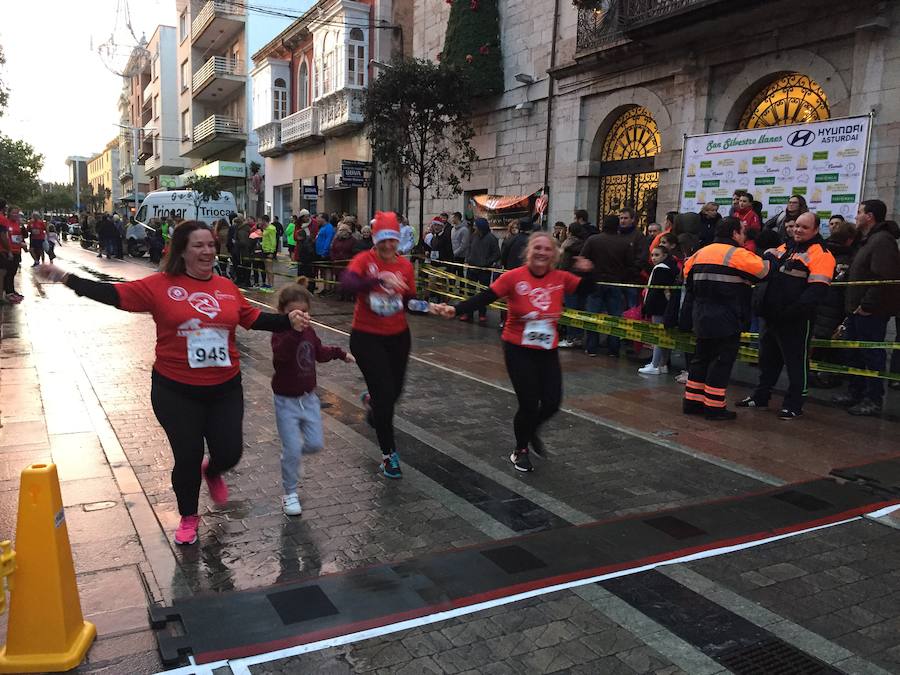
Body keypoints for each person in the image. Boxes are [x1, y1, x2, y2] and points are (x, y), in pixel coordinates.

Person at [35, 221, 310, 545]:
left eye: (210, 244)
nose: (207, 250)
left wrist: (287, 321)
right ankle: (189, 516)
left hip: (224, 388)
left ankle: (213, 470)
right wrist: (67, 278)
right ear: (181, 250)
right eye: (198, 245)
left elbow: (251, 318)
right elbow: (112, 294)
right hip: (175, 390)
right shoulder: (160, 286)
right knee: (188, 456)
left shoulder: (226, 287)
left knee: (230, 452)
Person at [434, 232, 593, 472]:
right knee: (529, 403)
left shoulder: (560, 278)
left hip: (546, 349)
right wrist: (456, 310)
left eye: (547, 249)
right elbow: (485, 297)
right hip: (517, 348)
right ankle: (520, 449)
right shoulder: (513, 277)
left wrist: (588, 270)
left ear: (555, 255)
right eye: (537, 248)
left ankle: (531, 430)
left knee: (551, 403)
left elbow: (587, 289)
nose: (541, 252)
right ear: (529, 252)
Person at [339, 212, 418, 479]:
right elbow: (347, 283)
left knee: (393, 393)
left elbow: (409, 299)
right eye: (383, 240)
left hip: (398, 336)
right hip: (366, 337)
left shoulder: (405, 266)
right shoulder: (365, 259)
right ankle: (388, 455)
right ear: (375, 239)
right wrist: (377, 281)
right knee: (386, 399)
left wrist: (431, 307)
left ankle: (373, 401)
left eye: (392, 240)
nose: (388, 246)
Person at [738, 212, 835, 419]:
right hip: (771, 316)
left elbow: (816, 291)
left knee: (796, 364)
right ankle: (761, 396)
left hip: (795, 320)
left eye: (804, 227)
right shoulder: (785, 247)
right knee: (767, 361)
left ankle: (794, 404)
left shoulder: (822, 254)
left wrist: (791, 311)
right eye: (796, 226)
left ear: (816, 230)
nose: (798, 230)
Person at [271, 278, 355, 515]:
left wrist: (340, 353)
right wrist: (293, 332)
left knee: (315, 443)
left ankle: (293, 455)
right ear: (283, 313)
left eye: (305, 312)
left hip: (308, 398)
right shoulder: (280, 332)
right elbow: (280, 357)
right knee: (291, 449)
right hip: (285, 401)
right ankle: (290, 493)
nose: (301, 317)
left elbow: (318, 352)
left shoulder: (309, 331)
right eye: (294, 312)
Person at [681, 217, 769, 420]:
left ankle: (692, 402)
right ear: (735, 234)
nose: (744, 236)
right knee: (721, 362)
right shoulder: (737, 254)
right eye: (743, 232)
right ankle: (714, 407)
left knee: (700, 359)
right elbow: (763, 272)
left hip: (701, 315)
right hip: (727, 317)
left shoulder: (700, 253)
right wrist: (772, 257)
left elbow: (688, 281)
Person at [832, 200, 900, 416]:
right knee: (855, 354)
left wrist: (867, 305)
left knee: (871, 354)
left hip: (870, 312)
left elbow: (884, 277)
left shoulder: (882, 241)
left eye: (860, 212)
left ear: (870, 216)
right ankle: (856, 391)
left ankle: (872, 398)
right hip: (856, 310)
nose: (856, 216)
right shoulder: (867, 240)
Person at [809, 219, 857, 389]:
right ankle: (825, 375)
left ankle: (812, 373)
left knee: (817, 340)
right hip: (834, 305)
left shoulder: (822, 251)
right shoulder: (846, 259)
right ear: (850, 240)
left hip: (818, 301)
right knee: (830, 342)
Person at [580, 215, 634, 357]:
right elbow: (630, 264)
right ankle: (613, 349)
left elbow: (583, 259)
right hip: (615, 282)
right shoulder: (624, 243)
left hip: (595, 282)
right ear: (618, 226)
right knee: (615, 317)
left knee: (592, 316)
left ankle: (592, 347)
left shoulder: (593, 240)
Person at [638, 244, 679, 375]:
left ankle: (655, 364)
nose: (654, 258)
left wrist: (647, 306)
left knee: (658, 337)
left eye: (657, 255)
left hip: (658, 307)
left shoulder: (660, 269)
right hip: (666, 306)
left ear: (665, 255)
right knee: (664, 337)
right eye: (652, 255)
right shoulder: (672, 267)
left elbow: (655, 290)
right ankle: (662, 364)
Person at [459, 217, 500, 324]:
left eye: (476, 226)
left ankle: (482, 314)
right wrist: (468, 259)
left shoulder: (492, 238)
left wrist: (487, 262)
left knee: (483, 293)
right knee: (470, 292)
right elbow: (469, 248)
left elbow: (496, 254)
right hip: (472, 268)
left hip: (484, 270)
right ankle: (468, 312)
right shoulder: (474, 236)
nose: (474, 227)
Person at [617, 207, 647, 307]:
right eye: (621, 218)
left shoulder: (638, 236)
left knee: (631, 307)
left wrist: (633, 270)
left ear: (632, 219)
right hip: (616, 279)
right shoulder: (617, 234)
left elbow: (642, 256)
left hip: (631, 279)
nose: (622, 221)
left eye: (625, 218)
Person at [261, 215, 277, 290]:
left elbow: (273, 241)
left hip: (269, 251)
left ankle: (272, 285)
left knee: (270, 269)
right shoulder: (265, 229)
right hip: (265, 250)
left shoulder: (271, 229)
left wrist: (272, 252)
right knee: (267, 269)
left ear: (264, 221)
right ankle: (269, 283)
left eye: (262, 221)